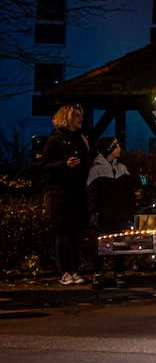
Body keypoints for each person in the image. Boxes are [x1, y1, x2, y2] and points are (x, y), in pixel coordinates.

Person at [41, 104, 91, 286]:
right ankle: (64, 271)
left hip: (78, 192)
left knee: (76, 235)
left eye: (81, 115)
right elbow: (44, 165)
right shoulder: (56, 139)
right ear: (67, 117)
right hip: (61, 193)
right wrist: (64, 165)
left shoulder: (81, 138)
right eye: (77, 116)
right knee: (63, 234)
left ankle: (75, 269)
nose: (80, 119)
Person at [87, 136, 139, 288]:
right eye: (116, 147)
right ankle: (98, 272)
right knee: (99, 243)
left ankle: (119, 272)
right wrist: (93, 212)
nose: (120, 149)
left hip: (119, 214)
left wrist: (130, 209)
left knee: (120, 243)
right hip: (103, 214)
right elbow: (91, 194)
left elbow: (130, 190)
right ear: (110, 149)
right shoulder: (96, 170)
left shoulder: (122, 168)